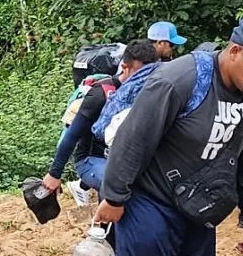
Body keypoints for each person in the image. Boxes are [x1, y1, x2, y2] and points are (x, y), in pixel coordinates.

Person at [92, 16, 243, 256]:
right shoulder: (182, 79)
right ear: (235, 51)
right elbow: (133, 138)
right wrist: (114, 197)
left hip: (201, 201)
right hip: (150, 196)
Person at [42, 40, 158, 205]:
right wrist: (54, 174)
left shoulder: (153, 92)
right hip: (93, 158)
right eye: (140, 72)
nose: (144, 78)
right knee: (114, 186)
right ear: (125, 67)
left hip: (130, 159)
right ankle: (100, 228)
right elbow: (73, 133)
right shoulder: (101, 93)